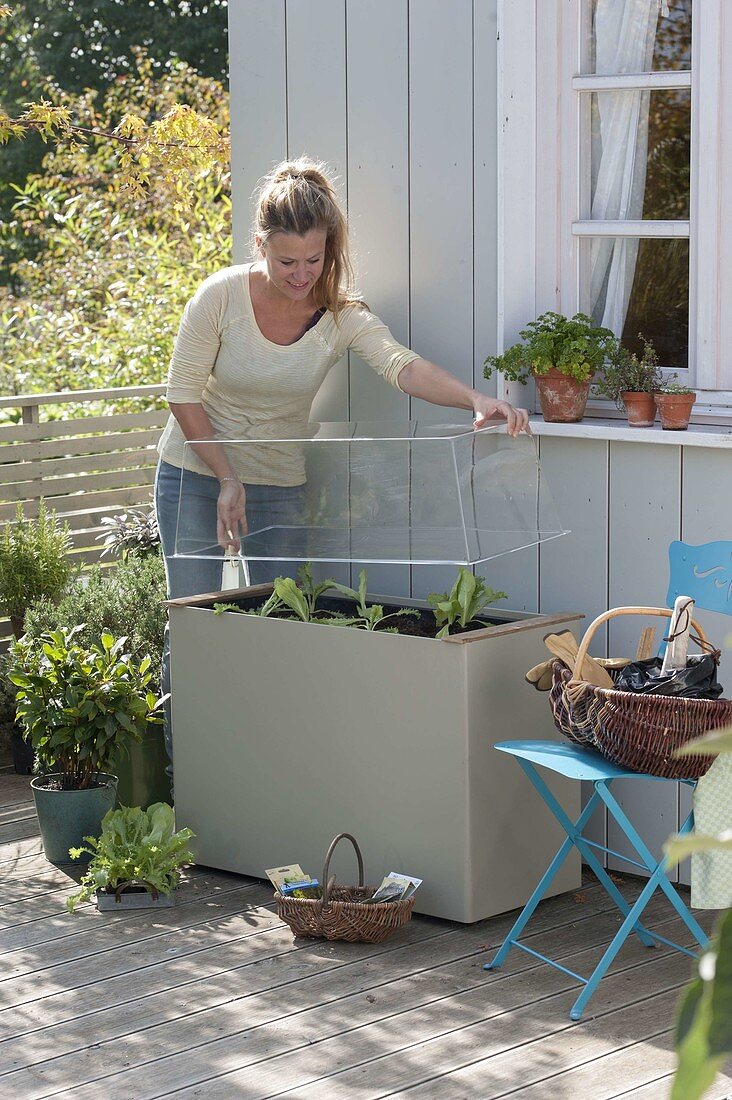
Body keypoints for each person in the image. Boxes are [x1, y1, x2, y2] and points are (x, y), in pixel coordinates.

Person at [154, 156, 530, 773]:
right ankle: (191, 775)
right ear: (260, 247)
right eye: (286, 262)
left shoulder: (340, 317)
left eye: (314, 260)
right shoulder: (219, 298)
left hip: (278, 483)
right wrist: (226, 478)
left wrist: (476, 399)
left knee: (282, 626)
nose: (301, 275)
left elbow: (400, 365)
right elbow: (182, 394)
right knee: (196, 626)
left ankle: (266, 768)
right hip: (195, 474)